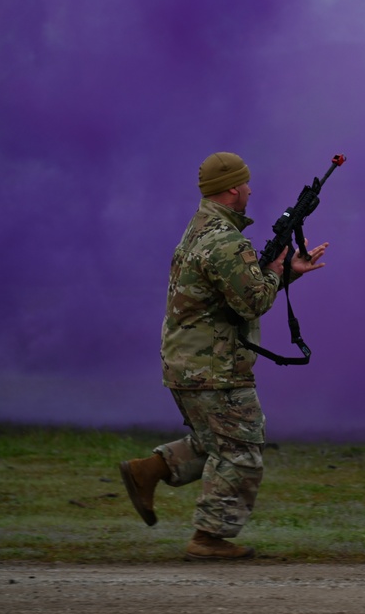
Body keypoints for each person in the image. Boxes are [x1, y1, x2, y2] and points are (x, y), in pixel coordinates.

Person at [119, 151, 328, 560]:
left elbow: (232, 298)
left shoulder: (199, 230)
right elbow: (250, 303)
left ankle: (148, 470)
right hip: (214, 366)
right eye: (246, 183)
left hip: (188, 362)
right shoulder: (226, 240)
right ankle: (208, 538)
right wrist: (275, 271)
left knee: (217, 440)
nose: (250, 189)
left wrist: (282, 271)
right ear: (233, 188)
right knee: (242, 446)